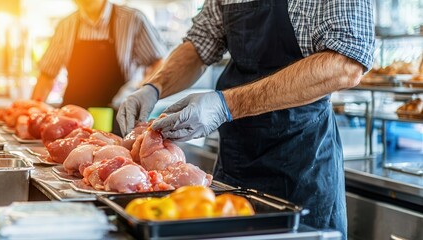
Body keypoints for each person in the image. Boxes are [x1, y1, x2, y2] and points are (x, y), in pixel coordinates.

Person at [117, 0, 374, 238]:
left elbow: (346, 64)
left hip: (303, 166)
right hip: (235, 165)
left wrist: (225, 104)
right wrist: (153, 87)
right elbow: (200, 43)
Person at [32, 0, 165, 126]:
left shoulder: (133, 20)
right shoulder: (65, 25)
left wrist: (140, 92)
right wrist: (31, 113)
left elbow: (158, 64)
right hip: (72, 120)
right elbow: (47, 75)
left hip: (119, 118)